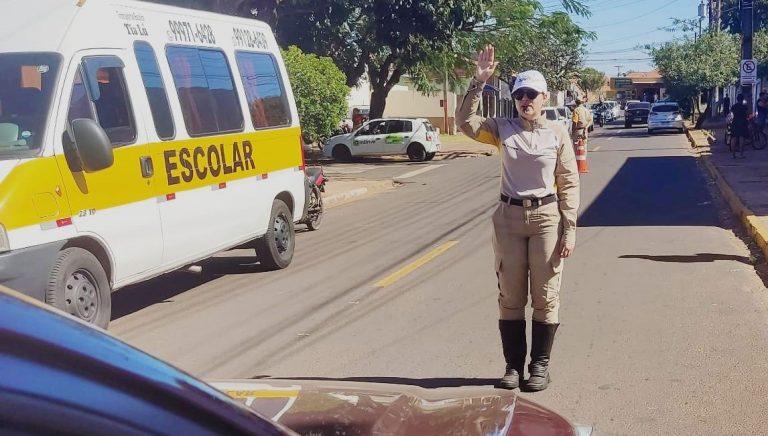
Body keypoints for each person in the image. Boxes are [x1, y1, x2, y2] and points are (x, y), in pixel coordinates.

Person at [455, 45, 580, 392]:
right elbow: (465, 123)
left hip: (546, 218)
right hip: (508, 220)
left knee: (545, 294)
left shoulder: (557, 133)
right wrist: (479, 82)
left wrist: (569, 229)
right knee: (510, 296)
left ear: (544, 98)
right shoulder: (501, 128)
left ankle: (539, 365)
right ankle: (513, 366)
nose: (525, 100)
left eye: (531, 94)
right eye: (520, 94)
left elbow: (568, 181)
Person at [730, 93, 750, 159]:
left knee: (734, 138)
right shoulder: (744, 107)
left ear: (737, 99)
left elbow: (731, 115)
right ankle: (741, 154)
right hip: (743, 123)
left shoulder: (734, 106)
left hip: (735, 123)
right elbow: (747, 115)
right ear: (743, 99)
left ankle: (733, 155)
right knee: (742, 138)